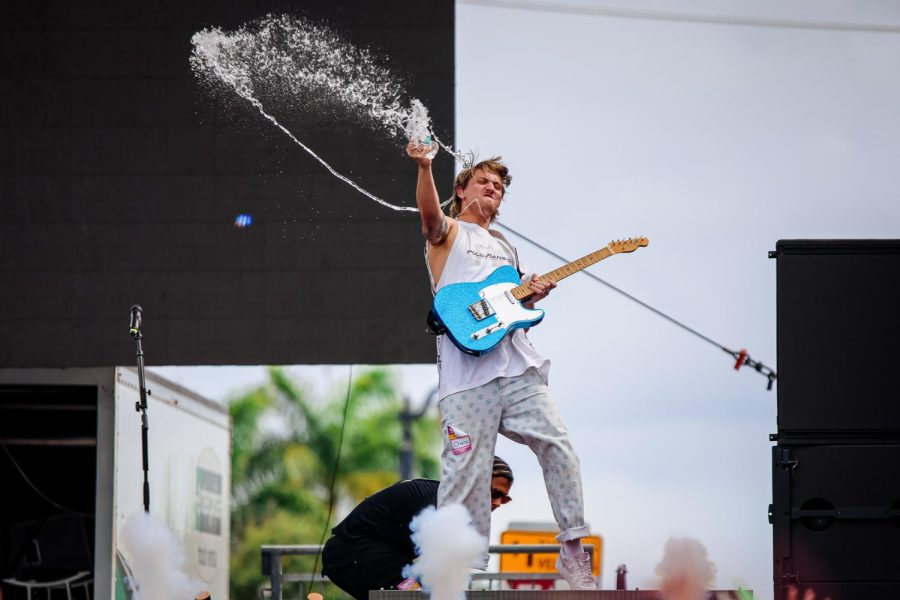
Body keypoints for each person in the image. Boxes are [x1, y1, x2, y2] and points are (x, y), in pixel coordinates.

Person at [405, 139, 598, 590]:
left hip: (515, 368)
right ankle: (458, 569)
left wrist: (530, 295)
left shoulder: (506, 247)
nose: (492, 188)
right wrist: (423, 166)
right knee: (465, 472)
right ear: (462, 189)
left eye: (498, 186)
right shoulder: (450, 231)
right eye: (483, 181)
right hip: (465, 377)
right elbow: (429, 219)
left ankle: (572, 553)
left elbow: (507, 306)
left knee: (559, 445)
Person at [321, 456, 515, 600]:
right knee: (417, 595)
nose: (498, 503)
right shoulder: (441, 503)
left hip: (366, 556)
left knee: (420, 593)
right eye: (494, 493)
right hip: (354, 553)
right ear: (473, 483)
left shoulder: (449, 502)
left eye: (504, 498)